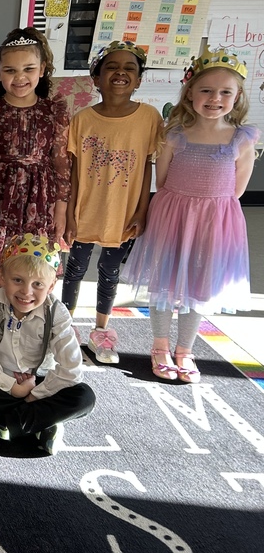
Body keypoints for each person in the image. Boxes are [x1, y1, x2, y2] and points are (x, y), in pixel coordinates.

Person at [122, 46, 259, 383]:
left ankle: (185, 348)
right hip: (174, 214)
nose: (215, 99)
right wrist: (184, 203)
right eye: (206, 90)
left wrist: (208, 205)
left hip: (216, 219)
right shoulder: (174, 135)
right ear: (190, 93)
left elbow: (237, 189)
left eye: (225, 92)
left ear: (238, 96)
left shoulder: (241, 139)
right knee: (164, 281)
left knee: (202, 283)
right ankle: (160, 345)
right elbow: (163, 179)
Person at [0, 234, 96, 456]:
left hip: (40, 384)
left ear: (51, 285)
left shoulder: (56, 313)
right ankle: (41, 423)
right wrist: (12, 387)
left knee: (84, 397)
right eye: (18, 280)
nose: (26, 292)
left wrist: (35, 394)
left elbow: (70, 369)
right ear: (2, 277)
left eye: (37, 284)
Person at [61, 41, 162, 363]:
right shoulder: (82, 120)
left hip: (122, 212)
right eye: (112, 68)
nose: (120, 73)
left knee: (109, 270)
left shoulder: (149, 118)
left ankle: (102, 329)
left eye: (129, 68)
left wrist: (142, 210)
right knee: (74, 268)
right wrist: (71, 214)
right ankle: (66, 326)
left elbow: (148, 167)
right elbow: (75, 172)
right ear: (96, 78)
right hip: (85, 210)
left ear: (139, 79)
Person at [0, 27, 70, 294]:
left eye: (28, 69)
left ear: (42, 69)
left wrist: (61, 209)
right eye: (10, 70)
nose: (20, 77)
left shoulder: (54, 110)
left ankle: (27, 327)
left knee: (32, 269)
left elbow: (61, 163)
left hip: (38, 200)